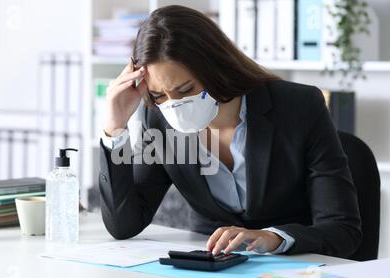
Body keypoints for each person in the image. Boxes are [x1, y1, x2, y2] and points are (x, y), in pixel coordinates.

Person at [99, 5, 362, 258]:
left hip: (295, 269)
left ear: (215, 68)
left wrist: (272, 238)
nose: (174, 105)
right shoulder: (157, 118)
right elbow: (124, 225)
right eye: (158, 95)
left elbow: (342, 230)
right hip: (212, 269)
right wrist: (114, 128)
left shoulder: (300, 106)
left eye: (185, 89)